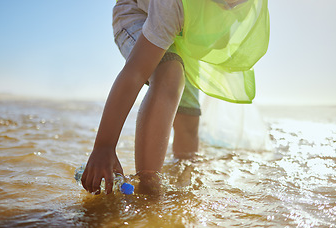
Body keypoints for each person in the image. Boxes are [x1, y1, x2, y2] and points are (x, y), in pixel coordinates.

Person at [81, 0, 269, 194]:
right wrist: (104, 146)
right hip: (138, 15)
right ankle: (148, 185)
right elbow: (135, 72)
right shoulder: (171, 3)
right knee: (170, 74)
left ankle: (183, 187)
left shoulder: (247, 6)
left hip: (184, 36)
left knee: (188, 122)